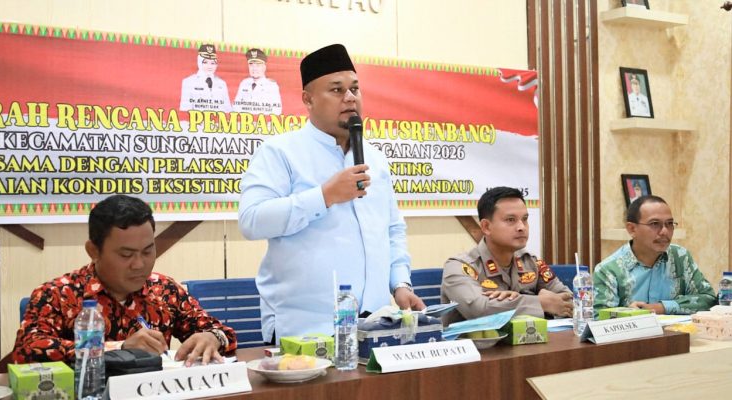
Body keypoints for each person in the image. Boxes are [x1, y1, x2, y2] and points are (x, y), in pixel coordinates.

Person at [238, 44, 425, 344]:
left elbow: (392, 229)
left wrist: (400, 283)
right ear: (308, 99)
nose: (350, 97)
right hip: (305, 330)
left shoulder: (375, 159)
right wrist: (324, 196)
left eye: (355, 89)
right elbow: (252, 221)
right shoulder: (280, 152)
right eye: (337, 90)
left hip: (374, 325)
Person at [13, 195, 237, 365]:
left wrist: (212, 337)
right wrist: (119, 349)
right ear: (93, 251)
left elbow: (222, 332)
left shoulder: (164, 290)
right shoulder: (58, 295)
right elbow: (28, 350)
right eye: (126, 254)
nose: (139, 264)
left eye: (147, 251)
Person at [441, 187, 573, 325]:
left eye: (525, 219)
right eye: (510, 220)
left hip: (534, 338)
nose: (522, 227)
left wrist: (518, 301)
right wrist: (539, 303)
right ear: (486, 227)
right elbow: (480, 310)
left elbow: (571, 302)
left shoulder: (531, 262)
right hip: (478, 340)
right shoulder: (458, 267)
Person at [593, 195, 716, 314]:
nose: (664, 231)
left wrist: (661, 308)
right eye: (655, 224)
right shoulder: (609, 270)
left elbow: (708, 298)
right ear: (632, 229)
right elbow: (599, 318)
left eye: (669, 224)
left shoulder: (680, 257)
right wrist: (627, 314)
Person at [179, 43, 233, 113]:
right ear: (199, 62)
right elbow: (185, 110)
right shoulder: (188, 82)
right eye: (205, 62)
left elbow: (228, 109)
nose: (209, 66)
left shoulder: (222, 83)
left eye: (212, 63)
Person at [232, 48, 282, 115]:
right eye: (251, 65)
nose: (254, 69)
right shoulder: (244, 83)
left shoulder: (271, 86)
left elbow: (276, 110)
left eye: (258, 65)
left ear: (264, 67)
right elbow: (235, 106)